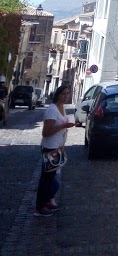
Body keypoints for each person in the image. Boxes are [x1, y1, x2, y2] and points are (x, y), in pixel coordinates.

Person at [34, 84, 75, 217]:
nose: (66, 96)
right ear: (57, 94)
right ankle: (39, 207)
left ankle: (47, 202)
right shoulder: (52, 110)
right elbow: (46, 132)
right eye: (63, 93)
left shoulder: (62, 108)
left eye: (68, 93)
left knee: (51, 178)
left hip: (57, 147)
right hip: (49, 147)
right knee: (46, 179)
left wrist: (62, 145)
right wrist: (63, 125)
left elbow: (61, 129)